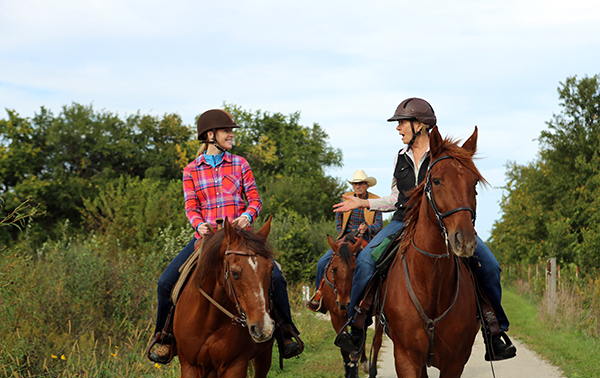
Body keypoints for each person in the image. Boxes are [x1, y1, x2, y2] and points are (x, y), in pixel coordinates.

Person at [332, 98, 517, 361]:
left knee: (490, 266)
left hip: (441, 224)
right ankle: (357, 326)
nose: (398, 129)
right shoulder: (401, 157)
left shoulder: (442, 155)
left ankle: (495, 330)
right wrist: (364, 202)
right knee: (365, 261)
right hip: (402, 221)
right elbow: (395, 197)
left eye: (402, 123)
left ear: (419, 125)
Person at [148, 109, 301, 364]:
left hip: (240, 239)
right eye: (226, 131)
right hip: (208, 241)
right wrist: (199, 225)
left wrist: (248, 217)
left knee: (275, 276)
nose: (231, 135)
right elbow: (191, 207)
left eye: (231, 131)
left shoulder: (240, 163)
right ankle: (164, 338)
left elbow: (254, 199)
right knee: (165, 283)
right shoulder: (191, 170)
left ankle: (286, 332)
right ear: (210, 135)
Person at [306, 170, 383, 311]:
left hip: (365, 239)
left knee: (374, 266)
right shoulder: (346, 199)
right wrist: (340, 235)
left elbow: (379, 224)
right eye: (355, 184)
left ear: (367, 185)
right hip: (345, 238)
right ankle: (319, 297)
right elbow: (338, 218)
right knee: (322, 262)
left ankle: (376, 299)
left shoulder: (374, 201)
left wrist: (368, 227)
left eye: (360, 184)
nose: (357, 186)